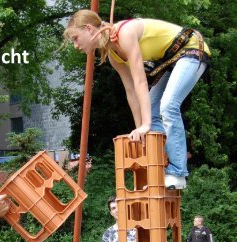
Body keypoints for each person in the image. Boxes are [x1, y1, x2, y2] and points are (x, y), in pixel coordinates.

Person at [64, 10, 211, 190]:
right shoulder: (113, 56)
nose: (75, 45)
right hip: (170, 61)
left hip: (191, 48)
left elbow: (141, 81)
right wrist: (141, 127)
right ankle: (163, 164)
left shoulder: (124, 33)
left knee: (168, 106)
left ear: (88, 29)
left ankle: (178, 172)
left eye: (75, 38)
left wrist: (145, 124)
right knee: (152, 113)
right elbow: (131, 90)